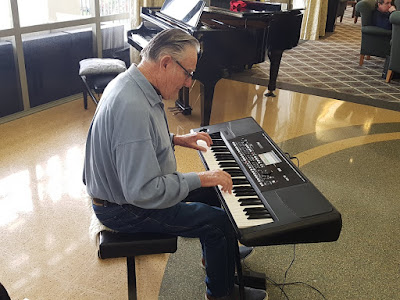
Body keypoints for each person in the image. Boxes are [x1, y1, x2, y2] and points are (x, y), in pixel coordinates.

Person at [83, 28, 267, 300]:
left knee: (215, 195)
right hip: (124, 209)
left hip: (123, 192)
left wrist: (179, 140)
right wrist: (202, 177)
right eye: (188, 73)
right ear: (166, 62)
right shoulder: (132, 106)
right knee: (216, 220)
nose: (189, 83)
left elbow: (138, 141)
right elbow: (144, 191)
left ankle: (220, 253)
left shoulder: (132, 82)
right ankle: (221, 293)